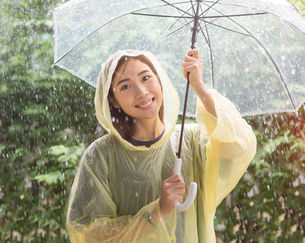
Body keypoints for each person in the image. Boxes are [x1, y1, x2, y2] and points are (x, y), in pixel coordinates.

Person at [66, 49, 256, 242]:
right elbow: (88, 233)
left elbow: (239, 145)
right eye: (125, 87)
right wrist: (156, 212)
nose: (142, 92)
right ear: (113, 100)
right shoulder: (101, 155)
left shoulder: (190, 140)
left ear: (159, 79)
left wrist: (199, 87)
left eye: (146, 77)